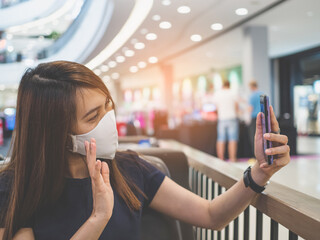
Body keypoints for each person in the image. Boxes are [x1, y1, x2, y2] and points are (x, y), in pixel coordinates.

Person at [0, 61, 290, 240]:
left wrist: (260, 172)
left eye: (108, 106)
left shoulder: (129, 169)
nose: (108, 120)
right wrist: (98, 218)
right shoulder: (14, 188)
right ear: (57, 133)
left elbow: (211, 215)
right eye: (92, 116)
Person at [212, 81, 239, 162]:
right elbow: (236, 106)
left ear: (222, 85)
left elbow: (216, 108)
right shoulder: (232, 93)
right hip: (232, 118)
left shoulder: (218, 94)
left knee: (220, 139)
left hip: (222, 119)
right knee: (232, 139)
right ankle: (232, 159)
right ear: (229, 85)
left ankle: (221, 159)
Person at [248, 81, 263, 157]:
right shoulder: (262, 94)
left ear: (251, 86)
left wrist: (247, 118)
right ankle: (263, 155)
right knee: (262, 136)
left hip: (255, 119)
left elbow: (250, 108)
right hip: (263, 117)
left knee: (254, 137)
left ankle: (256, 156)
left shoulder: (252, 96)